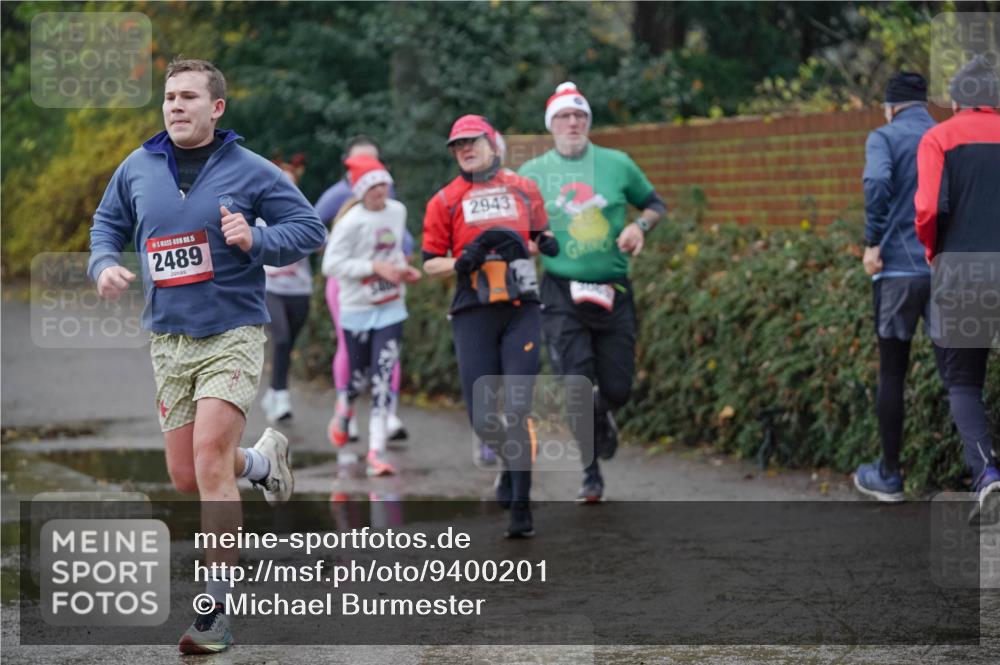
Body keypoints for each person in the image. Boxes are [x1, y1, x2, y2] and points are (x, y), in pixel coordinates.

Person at [88, 58, 326, 654]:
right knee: (186, 474)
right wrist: (104, 265)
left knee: (210, 460)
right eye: (169, 97)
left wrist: (258, 239)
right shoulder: (137, 167)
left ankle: (214, 611)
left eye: (188, 97)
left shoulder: (252, 170)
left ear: (216, 108)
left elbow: (310, 228)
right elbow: (106, 223)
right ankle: (264, 465)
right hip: (168, 339)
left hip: (233, 331)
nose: (174, 106)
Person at [518, 82, 666, 503]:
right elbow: (520, 228)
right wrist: (528, 241)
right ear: (552, 125)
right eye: (564, 116)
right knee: (576, 383)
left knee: (617, 388)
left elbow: (655, 204)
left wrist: (640, 226)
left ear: (587, 123)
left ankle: (605, 414)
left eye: (580, 116)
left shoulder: (618, 163)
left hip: (613, 289)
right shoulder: (532, 175)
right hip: (560, 293)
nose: (573, 123)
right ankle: (590, 474)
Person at [422, 115, 557, 538]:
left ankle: (521, 505)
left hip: (522, 309)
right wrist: (460, 263)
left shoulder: (524, 188)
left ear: (492, 143)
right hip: (472, 311)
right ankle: (510, 464)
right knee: (483, 417)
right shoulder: (445, 199)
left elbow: (540, 234)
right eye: (457, 145)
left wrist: (545, 242)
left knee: (516, 410)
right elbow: (429, 263)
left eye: (471, 142)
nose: (464, 149)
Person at [914, 55, 1000, 520]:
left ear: (958, 99)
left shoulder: (939, 138)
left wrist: (933, 252)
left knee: (964, 381)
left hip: (962, 271)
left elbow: (927, 209)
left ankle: (987, 475)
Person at [852, 72, 941, 502]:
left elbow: (876, 182)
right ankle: (984, 473)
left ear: (890, 107)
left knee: (892, 371)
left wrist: (872, 240)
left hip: (897, 273)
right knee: (960, 377)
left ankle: (889, 474)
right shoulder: (945, 136)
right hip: (946, 270)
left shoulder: (884, 137)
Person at [321, 155, 420, 475]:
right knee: (359, 378)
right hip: (357, 310)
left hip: (390, 307)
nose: (381, 191)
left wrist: (402, 271)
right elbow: (330, 266)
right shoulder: (350, 223)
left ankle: (376, 451)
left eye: (384, 184)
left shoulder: (397, 211)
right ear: (360, 191)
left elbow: (391, 252)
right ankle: (345, 408)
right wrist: (373, 268)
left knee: (382, 377)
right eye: (374, 186)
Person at [260, 154, 312, 423]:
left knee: (288, 343)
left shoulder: (304, 214)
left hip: (300, 289)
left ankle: (274, 389)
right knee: (280, 338)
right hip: (270, 287)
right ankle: (280, 396)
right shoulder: (258, 213)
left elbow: (320, 239)